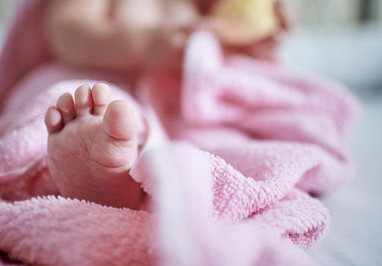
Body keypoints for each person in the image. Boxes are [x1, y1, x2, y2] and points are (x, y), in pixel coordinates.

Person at [42, 0, 291, 209]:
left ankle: (129, 175)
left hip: (187, 100)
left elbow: (223, 26)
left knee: (231, 137)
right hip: (109, 83)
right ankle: (100, 162)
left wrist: (260, 32)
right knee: (81, 105)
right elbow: (67, 30)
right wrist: (142, 47)